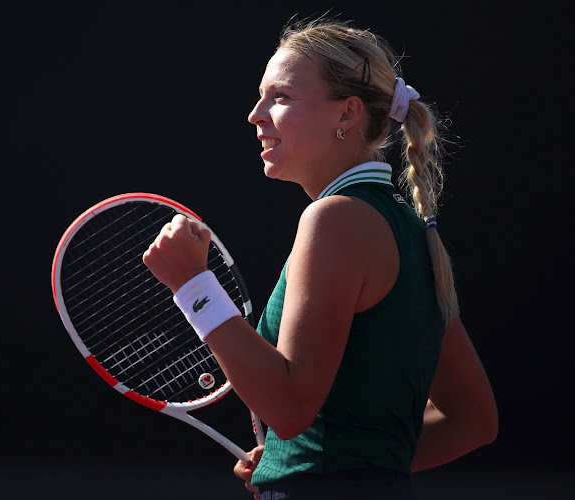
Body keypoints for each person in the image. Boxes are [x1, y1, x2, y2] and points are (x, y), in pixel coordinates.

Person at [142, 16, 497, 500]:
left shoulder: (334, 220)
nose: (255, 114)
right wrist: (310, 461)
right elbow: (473, 420)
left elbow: (289, 409)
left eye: (281, 97)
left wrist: (192, 285)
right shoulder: (410, 230)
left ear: (347, 115)